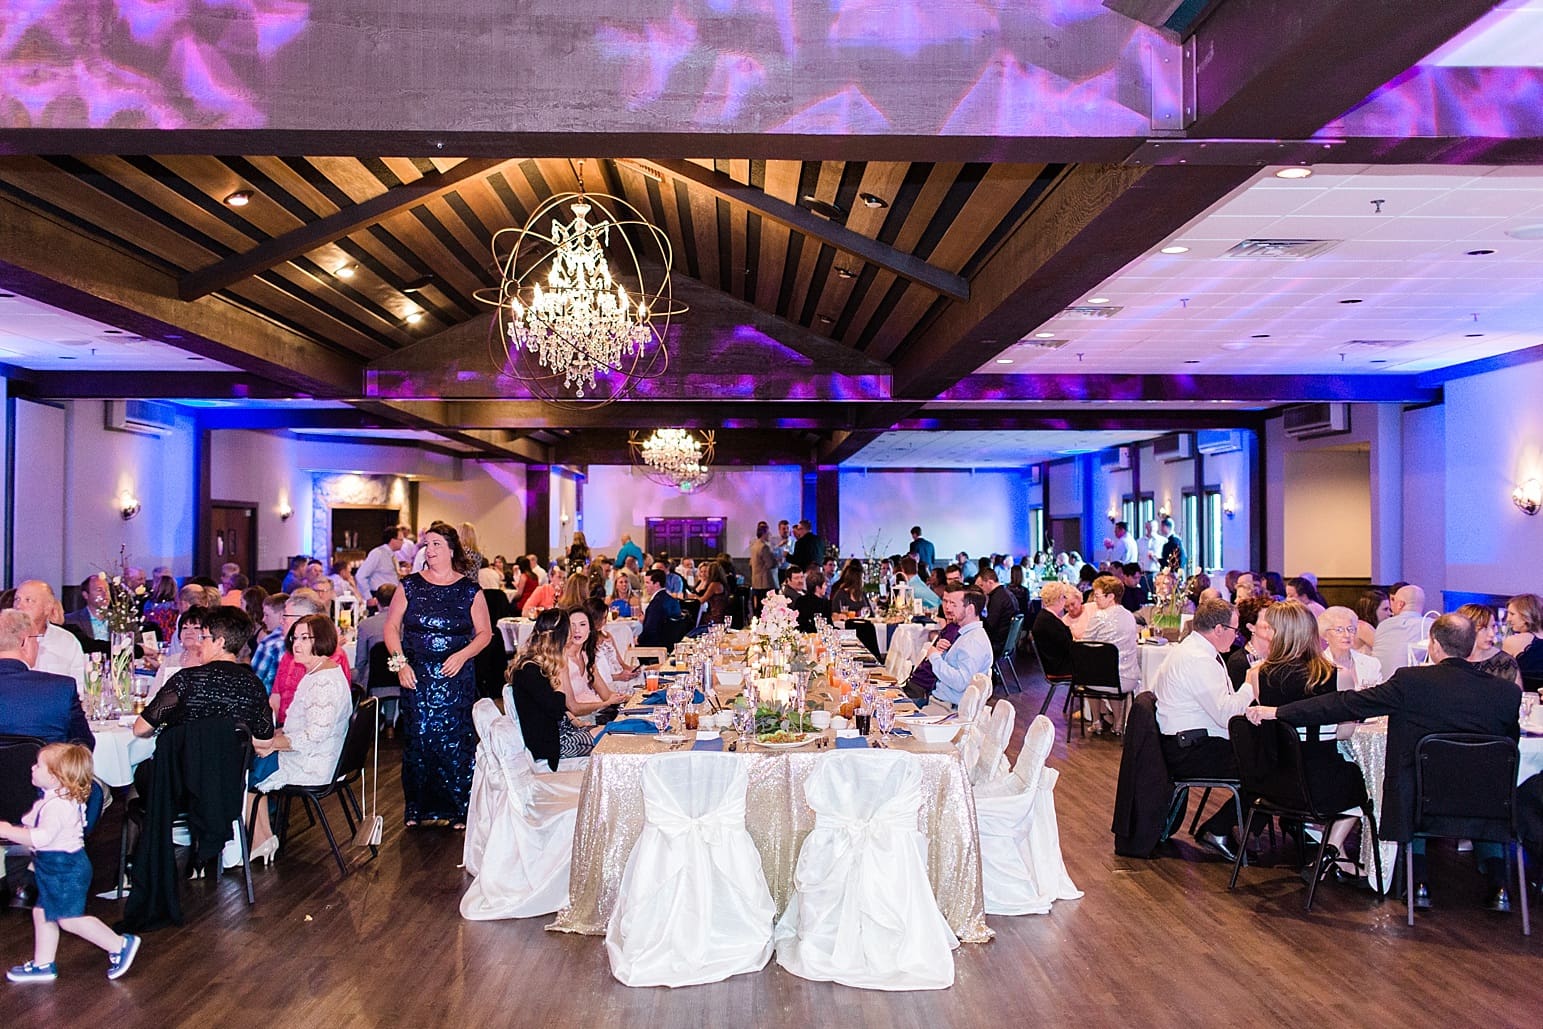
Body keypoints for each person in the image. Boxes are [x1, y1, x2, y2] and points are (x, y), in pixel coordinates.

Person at [1250, 614, 1523, 911]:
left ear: (1434, 644)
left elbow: (1343, 704)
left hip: (1421, 800)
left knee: (1415, 783)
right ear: (1470, 646)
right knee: (1482, 787)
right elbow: (1508, 747)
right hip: (1484, 800)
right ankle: (1500, 887)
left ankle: (1418, 883)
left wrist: (1279, 712)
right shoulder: (1506, 693)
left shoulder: (1412, 682)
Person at [1245, 602, 1370, 878]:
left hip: (1274, 781)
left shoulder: (1257, 675)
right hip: (1318, 781)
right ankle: (1332, 850)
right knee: (1366, 786)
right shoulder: (1338, 676)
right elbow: (1345, 732)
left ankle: (1333, 855)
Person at [0, 744, 142, 983]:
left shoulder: (57, 806)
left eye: (39, 765)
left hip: (64, 869)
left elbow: (41, 838)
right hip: (55, 866)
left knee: (69, 919)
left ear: (56, 777)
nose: (32, 768)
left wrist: (9, 831)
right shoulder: (57, 797)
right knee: (43, 912)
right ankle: (43, 963)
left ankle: (119, 944)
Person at [384, 521, 492, 828]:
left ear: (451, 550)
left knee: (455, 741)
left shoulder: (469, 590)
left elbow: (485, 634)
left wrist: (462, 654)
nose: (429, 550)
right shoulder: (410, 586)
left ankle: (458, 808)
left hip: (456, 676)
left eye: (436, 545)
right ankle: (417, 808)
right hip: (415, 677)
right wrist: (399, 664)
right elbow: (391, 628)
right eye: (427, 544)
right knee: (418, 740)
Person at [1144, 598, 1252, 862]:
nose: (1236, 637)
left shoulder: (1193, 650)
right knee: (1266, 767)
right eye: (1235, 630)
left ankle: (1230, 829)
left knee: (1264, 756)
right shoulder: (1197, 659)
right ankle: (1219, 830)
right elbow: (1226, 714)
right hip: (1190, 749)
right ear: (1218, 629)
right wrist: (1251, 683)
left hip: (1188, 741)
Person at [244, 615, 353, 857]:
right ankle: (262, 840)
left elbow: (313, 735)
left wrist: (272, 743)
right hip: (323, 754)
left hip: (315, 762)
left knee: (242, 771)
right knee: (251, 761)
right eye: (295, 637)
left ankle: (257, 841)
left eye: (305, 638)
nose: (297, 644)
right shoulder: (321, 671)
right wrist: (275, 737)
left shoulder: (322, 682)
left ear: (323, 640)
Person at [134, 607, 274, 741]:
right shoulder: (253, 684)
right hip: (231, 764)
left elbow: (140, 729)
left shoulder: (185, 679)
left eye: (204, 637)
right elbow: (265, 737)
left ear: (219, 642)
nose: (199, 643)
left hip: (180, 763)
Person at [510, 608, 601, 769]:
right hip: (551, 744)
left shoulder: (536, 663)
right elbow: (556, 708)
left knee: (608, 731)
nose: (571, 635)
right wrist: (559, 680)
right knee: (607, 739)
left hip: (558, 732)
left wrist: (575, 722)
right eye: (568, 631)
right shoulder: (529, 669)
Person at [0, 610, 92, 747]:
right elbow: (84, 745)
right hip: (47, 767)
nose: (38, 645)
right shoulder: (60, 688)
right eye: (36, 639)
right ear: (24, 642)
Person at [268, 589, 351, 724]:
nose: (281, 622)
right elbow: (276, 697)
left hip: (313, 727)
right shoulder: (290, 654)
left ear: (302, 620)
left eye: (285, 617)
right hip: (284, 727)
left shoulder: (330, 656)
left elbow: (324, 717)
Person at [915, 584, 992, 711]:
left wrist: (935, 658)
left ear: (970, 610)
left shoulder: (974, 641)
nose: (948, 608)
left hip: (947, 709)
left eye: (954, 604)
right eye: (947, 602)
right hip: (937, 701)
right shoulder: (965, 635)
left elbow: (961, 682)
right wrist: (941, 653)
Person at [1081, 575, 1139, 733]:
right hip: (1129, 678)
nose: (1095, 600)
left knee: (1089, 674)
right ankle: (1118, 723)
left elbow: (1086, 643)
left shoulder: (1100, 616)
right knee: (1111, 673)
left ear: (1111, 596)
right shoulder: (1129, 616)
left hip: (1105, 680)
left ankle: (1097, 720)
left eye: (1097, 596)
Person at [13, 581, 86, 698]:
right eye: (17, 599)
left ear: (47, 608)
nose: (19, 606)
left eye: (28, 600)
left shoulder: (66, 641)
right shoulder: (5, 639)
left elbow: (80, 686)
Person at [559, 607, 622, 719]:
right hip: (576, 721)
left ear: (590, 629)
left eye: (582, 625)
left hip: (596, 712)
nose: (576, 630)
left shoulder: (586, 655)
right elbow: (572, 708)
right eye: (572, 625)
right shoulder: (561, 659)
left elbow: (606, 694)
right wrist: (605, 704)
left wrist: (633, 698)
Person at [1456, 602, 1522, 686]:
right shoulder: (1452, 659)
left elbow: (1518, 697)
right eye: (1484, 628)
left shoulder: (1505, 663)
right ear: (1465, 629)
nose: (1492, 634)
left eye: (1493, 626)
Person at [1320, 606, 1384, 690]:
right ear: (1325, 635)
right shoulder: (1319, 667)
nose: (1347, 635)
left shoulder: (1371, 663)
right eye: (1339, 630)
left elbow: (1379, 697)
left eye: (1350, 629)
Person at [1371, 584, 1428, 680]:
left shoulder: (1383, 625)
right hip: (1409, 686)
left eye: (1393, 601)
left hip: (1378, 685)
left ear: (1400, 604)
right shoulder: (1431, 625)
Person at [352, 584, 397, 689]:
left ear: (376, 601)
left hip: (374, 683)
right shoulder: (406, 623)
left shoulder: (366, 625)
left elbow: (361, 661)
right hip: (402, 681)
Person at [1226, 596, 1275, 689]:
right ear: (1251, 627)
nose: (1276, 623)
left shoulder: (1281, 653)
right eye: (1269, 619)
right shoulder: (1239, 662)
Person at [1031, 582, 1076, 682]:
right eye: (1065, 597)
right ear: (1059, 598)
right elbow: (1068, 647)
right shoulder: (1048, 621)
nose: (1066, 600)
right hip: (1058, 668)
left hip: (1057, 663)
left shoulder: (1046, 616)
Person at [974, 565, 1019, 661]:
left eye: (981, 585)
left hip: (998, 643)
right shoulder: (1007, 593)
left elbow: (990, 626)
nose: (980, 590)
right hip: (1008, 642)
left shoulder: (997, 598)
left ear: (990, 582)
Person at [1501, 593, 1543, 689]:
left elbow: (1504, 680)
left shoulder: (1512, 642)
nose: (1508, 619)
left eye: (1512, 614)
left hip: (1524, 701)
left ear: (1526, 615)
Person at [355, 526, 405, 603]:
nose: (403, 542)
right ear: (392, 540)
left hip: (392, 595)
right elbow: (360, 575)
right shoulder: (377, 553)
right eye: (401, 540)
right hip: (380, 596)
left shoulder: (392, 555)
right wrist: (368, 597)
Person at [637, 569, 680, 647]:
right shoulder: (673, 601)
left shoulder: (656, 604)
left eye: (647, 582)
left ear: (657, 584)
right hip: (671, 644)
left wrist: (638, 639)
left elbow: (650, 631)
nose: (645, 586)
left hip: (655, 646)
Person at [63, 573, 110, 643]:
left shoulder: (122, 619)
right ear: (85, 595)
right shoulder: (71, 620)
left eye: (107, 590)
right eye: (99, 590)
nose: (105, 594)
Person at [749, 520, 777, 609]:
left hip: (756, 581)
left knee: (758, 607)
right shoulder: (764, 547)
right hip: (765, 582)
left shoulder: (754, 545)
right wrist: (776, 559)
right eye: (768, 533)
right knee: (766, 608)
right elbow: (770, 564)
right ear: (764, 533)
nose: (770, 535)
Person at [1353, 589, 1388, 656]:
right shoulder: (1363, 627)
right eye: (1385, 609)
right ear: (1372, 610)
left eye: (1389, 609)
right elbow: (1387, 649)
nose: (1390, 613)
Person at [695, 561, 731, 626]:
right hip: (721, 614)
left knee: (693, 618)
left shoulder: (714, 585)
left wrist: (694, 597)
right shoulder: (721, 583)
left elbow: (702, 600)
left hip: (715, 617)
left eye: (707, 571)